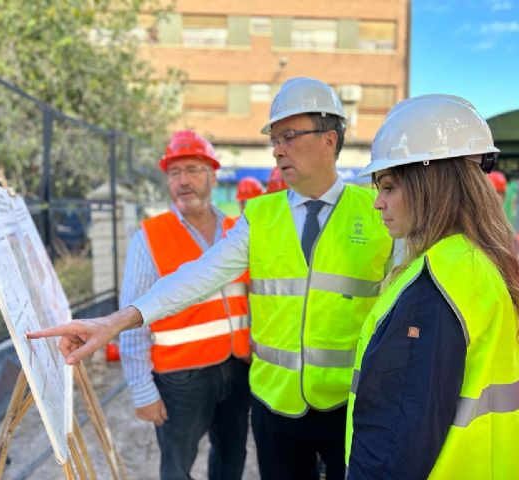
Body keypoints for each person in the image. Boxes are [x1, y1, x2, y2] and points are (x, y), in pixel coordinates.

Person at [28, 76, 394, 479]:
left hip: (351, 404)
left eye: (288, 136)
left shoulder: (378, 210)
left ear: (330, 139)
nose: (277, 150)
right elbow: (199, 276)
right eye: (274, 140)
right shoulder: (259, 215)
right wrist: (115, 322)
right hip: (275, 406)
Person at [345, 94, 519, 479]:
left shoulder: (434, 286)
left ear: (427, 184)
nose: (377, 203)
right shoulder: (477, 262)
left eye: (388, 187)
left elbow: (394, 444)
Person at [118, 130, 251, 480]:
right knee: (177, 468)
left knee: (231, 459)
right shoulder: (150, 235)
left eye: (192, 169)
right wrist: (142, 390)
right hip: (180, 379)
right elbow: (132, 315)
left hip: (237, 367)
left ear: (212, 174)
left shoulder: (237, 229)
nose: (182, 181)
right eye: (174, 173)